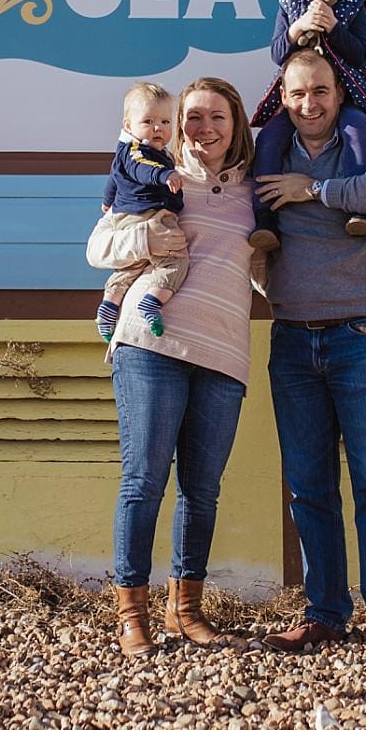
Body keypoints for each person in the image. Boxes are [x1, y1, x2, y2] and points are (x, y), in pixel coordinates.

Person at [86, 76, 259, 655]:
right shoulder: (158, 180)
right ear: (175, 124)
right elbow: (97, 250)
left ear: (236, 124)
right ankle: (130, 611)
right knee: (144, 481)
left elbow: (266, 271)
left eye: (217, 117)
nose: (204, 128)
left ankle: (184, 610)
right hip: (151, 345)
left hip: (224, 351)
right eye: (193, 118)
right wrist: (150, 234)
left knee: (202, 492)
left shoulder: (254, 191)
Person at [256, 47, 366, 669]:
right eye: (297, 93)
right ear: (284, 96)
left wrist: (313, 189)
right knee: (308, 486)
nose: (309, 103)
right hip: (293, 337)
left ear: (338, 93)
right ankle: (324, 613)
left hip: (362, 335)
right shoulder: (271, 151)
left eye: (319, 91)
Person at [249, 0, 366, 252]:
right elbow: (279, 54)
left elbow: (360, 53)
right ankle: (265, 218)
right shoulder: (289, 7)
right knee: (269, 138)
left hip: (346, 93)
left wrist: (335, 28)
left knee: (355, 129)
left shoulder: (354, 4)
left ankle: (356, 209)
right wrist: (298, 30)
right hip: (302, 97)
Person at [95, 80, 188, 342]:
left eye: (165, 122)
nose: (158, 128)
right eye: (148, 121)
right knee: (175, 259)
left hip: (128, 216)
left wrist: (108, 200)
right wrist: (164, 174)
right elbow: (141, 168)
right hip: (148, 214)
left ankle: (109, 306)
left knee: (131, 266)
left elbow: (114, 176)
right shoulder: (138, 152)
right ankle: (152, 301)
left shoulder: (127, 151)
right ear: (129, 126)